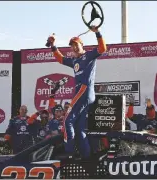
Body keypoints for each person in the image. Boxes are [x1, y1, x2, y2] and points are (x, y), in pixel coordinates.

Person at [47, 25, 107, 158]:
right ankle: (86, 157)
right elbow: (60, 59)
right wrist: (53, 45)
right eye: (71, 46)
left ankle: (69, 153)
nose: (73, 47)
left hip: (84, 91)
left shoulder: (89, 55)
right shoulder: (74, 61)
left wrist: (98, 33)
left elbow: (103, 49)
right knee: (80, 128)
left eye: (76, 45)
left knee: (67, 120)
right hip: (84, 94)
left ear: (82, 45)